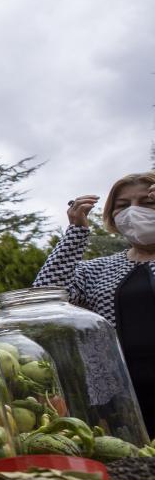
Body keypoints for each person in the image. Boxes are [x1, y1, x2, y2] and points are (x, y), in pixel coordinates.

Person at [35, 171, 155, 433]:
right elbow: (45, 292)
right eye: (122, 206)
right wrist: (76, 232)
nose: (134, 212)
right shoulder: (97, 270)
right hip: (121, 396)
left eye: (146, 203)